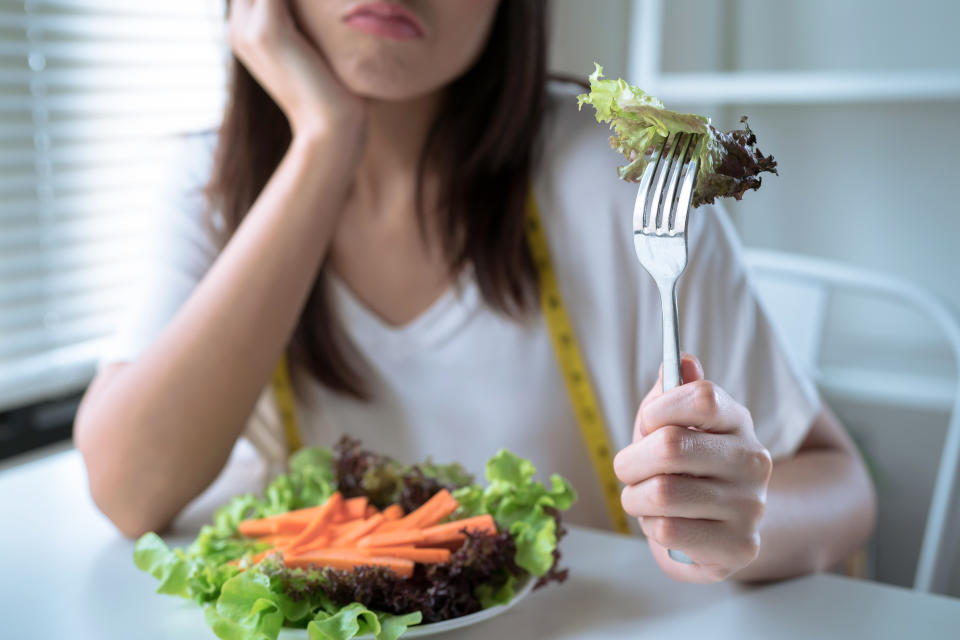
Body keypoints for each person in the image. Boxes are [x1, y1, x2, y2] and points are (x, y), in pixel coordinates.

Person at [74, 0, 875, 584]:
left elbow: (841, 486)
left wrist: (735, 527)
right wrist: (324, 142)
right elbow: (128, 490)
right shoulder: (210, 190)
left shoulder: (617, 179)